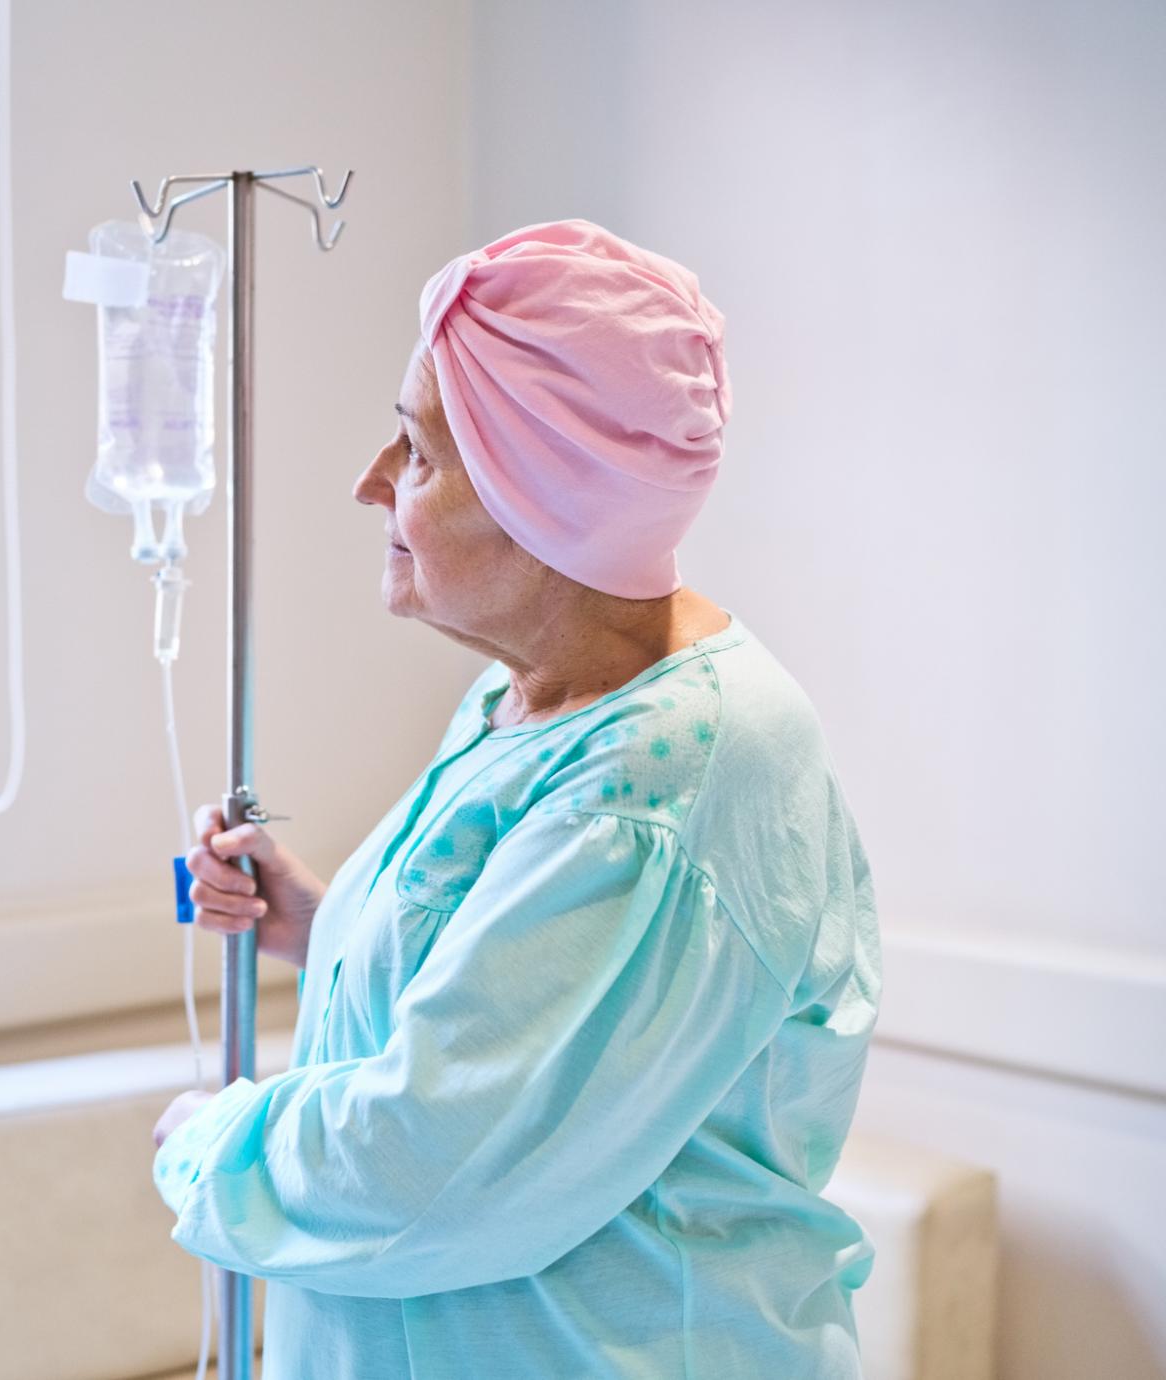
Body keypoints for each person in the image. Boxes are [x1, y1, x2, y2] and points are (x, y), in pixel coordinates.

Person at [149, 219, 881, 1378]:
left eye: (417, 453)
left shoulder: (662, 779)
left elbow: (430, 1165)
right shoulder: (532, 701)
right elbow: (516, 993)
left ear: (545, 501)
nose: (370, 483)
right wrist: (321, 922)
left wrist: (210, 1147)